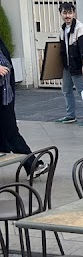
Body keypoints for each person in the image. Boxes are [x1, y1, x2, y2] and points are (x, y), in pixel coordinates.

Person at [0, 34, 43, 177]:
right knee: (11, 133)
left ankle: (32, 165)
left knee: (10, 132)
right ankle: (32, 165)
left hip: (5, 97)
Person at [57, 2, 83, 126]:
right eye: (64, 13)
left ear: (74, 13)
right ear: (61, 14)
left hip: (78, 65)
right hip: (67, 65)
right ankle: (70, 115)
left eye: (70, 13)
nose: (67, 16)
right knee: (66, 90)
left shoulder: (80, 28)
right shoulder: (63, 28)